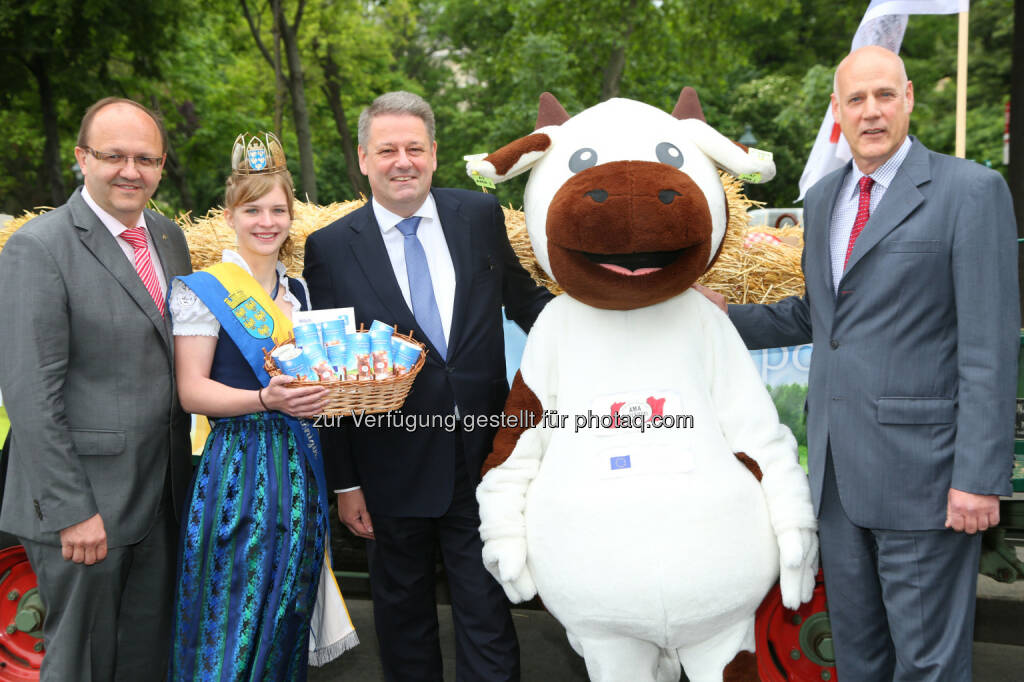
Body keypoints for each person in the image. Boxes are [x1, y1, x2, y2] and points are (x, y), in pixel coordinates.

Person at [699, 46, 1019, 680]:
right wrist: (718, 316)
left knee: (927, 663)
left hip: (926, 479)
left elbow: (989, 346)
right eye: (856, 99)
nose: (871, 111)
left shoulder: (970, 191)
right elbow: (820, 316)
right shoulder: (823, 198)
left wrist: (980, 478)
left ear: (908, 99)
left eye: (884, 95)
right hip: (835, 477)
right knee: (857, 658)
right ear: (837, 111)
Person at [303, 91, 552, 681]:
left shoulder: (479, 217)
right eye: (387, 149)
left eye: (414, 148)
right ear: (363, 158)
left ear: (434, 154)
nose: (402, 162)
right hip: (388, 467)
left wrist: (616, 315)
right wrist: (346, 482)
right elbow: (330, 377)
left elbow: (527, 304)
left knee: (488, 611)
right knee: (403, 618)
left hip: (484, 458)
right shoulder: (330, 249)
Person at [0, 97, 193, 681]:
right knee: (82, 663)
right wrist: (72, 511)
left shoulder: (168, 238)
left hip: (160, 497)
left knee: (145, 661)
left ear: (161, 166)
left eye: (146, 159)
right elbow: (30, 395)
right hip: (85, 510)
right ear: (82, 158)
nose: (131, 171)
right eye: (114, 156)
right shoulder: (39, 247)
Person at [166, 132, 358, 680]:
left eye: (277, 210)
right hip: (239, 467)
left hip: (300, 467)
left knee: (286, 610)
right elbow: (191, 391)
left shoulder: (301, 293)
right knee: (232, 606)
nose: (266, 221)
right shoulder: (203, 291)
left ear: (292, 217)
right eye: (252, 210)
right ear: (228, 216)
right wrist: (262, 399)